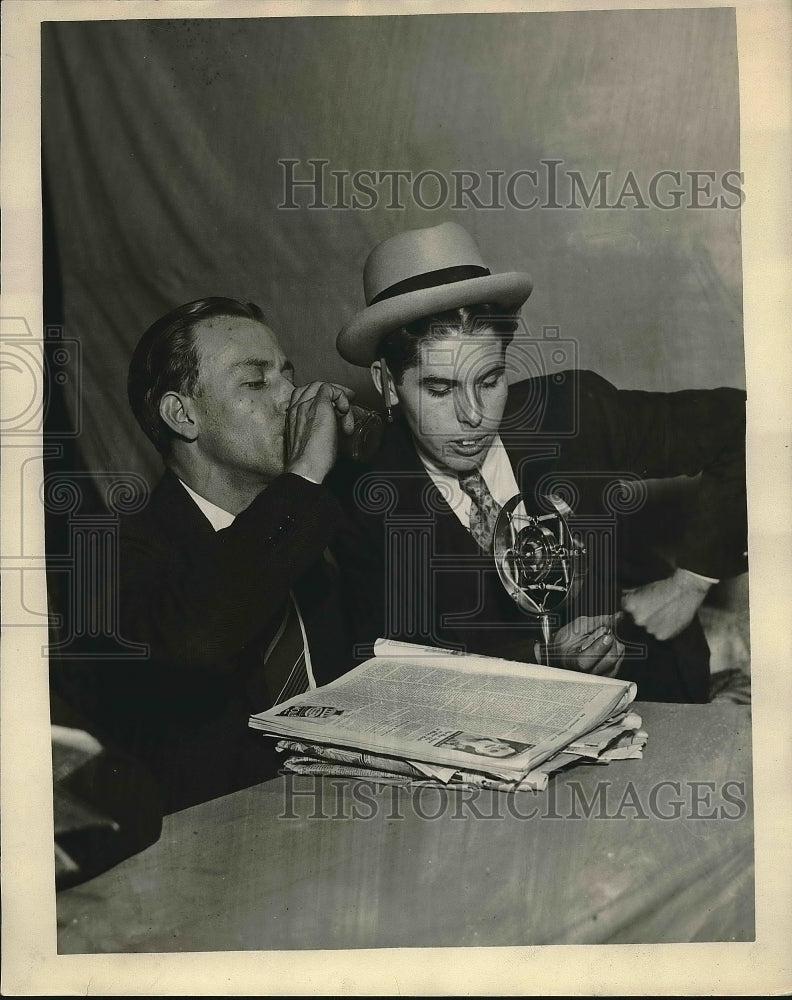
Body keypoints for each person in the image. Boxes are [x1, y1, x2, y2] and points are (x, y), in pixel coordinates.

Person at [332, 223, 748, 703]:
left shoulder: (575, 411)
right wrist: (540, 657)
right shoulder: (361, 497)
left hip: (655, 699)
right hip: (486, 733)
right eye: (441, 389)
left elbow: (741, 425)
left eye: (489, 381)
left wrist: (693, 580)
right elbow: (393, 659)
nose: (472, 417)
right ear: (386, 382)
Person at [54, 297, 358, 812]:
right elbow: (203, 635)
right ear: (183, 415)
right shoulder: (108, 560)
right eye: (256, 382)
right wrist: (304, 475)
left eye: (288, 375)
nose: (291, 397)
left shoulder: (310, 522)